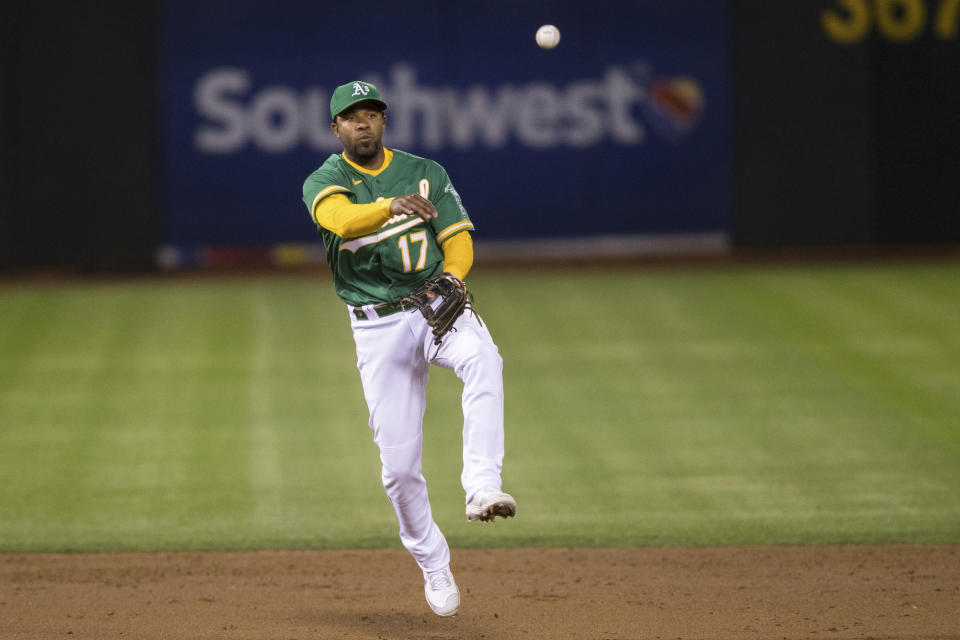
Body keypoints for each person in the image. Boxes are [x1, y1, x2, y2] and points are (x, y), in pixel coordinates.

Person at [301, 80, 516, 617]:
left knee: (484, 359)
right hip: (376, 328)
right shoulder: (326, 180)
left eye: (372, 113)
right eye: (352, 117)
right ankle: (433, 562)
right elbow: (340, 220)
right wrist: (388, 206)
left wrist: (455, 278)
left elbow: (458, 237)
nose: (364, 123)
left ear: (384, 121)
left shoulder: (427, 172)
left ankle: (482, 486)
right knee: (398, 471)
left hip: (432, 303)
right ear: (336, 129)